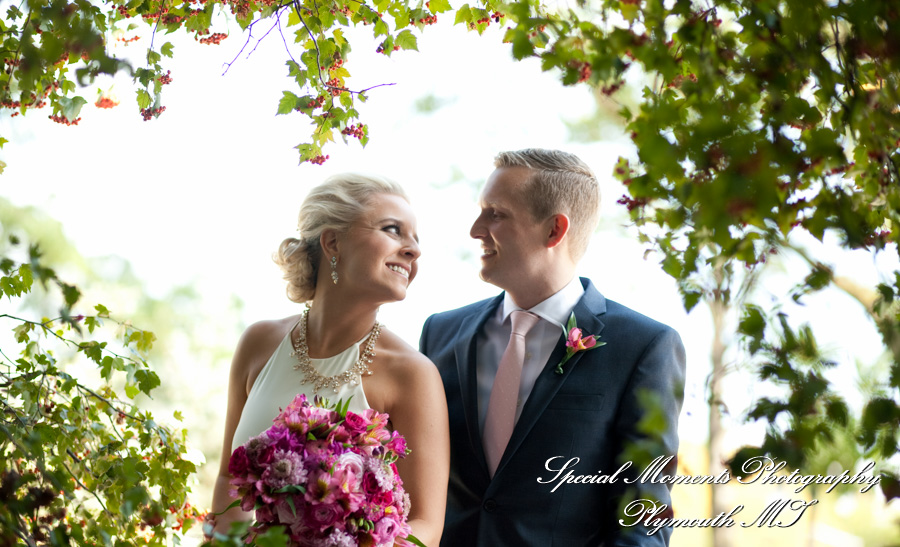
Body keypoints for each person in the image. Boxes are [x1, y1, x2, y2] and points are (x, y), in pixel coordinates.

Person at [419, 149, 686, 546]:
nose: (476, 229)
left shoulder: (643, 347)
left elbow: (641, 520)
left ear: (553, 231)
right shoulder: (439, 333)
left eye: (496, 213)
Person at [209, 174, 450, 546]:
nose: (412, 249)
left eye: (416, 240)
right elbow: (230, 478)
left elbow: (426, 525)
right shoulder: (259, 343)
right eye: (393, 230)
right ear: (333, 241)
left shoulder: (412, 374)